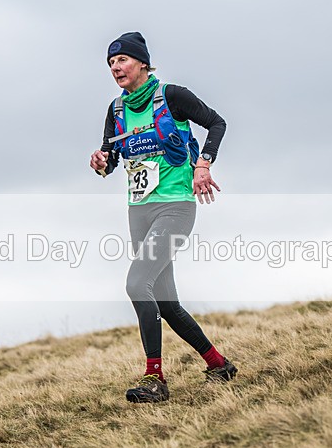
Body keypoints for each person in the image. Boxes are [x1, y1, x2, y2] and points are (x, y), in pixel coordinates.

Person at [89, 32, 237, 403]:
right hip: (138, 210)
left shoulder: (172, 96)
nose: (115, 68)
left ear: (141, 62)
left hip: (175, 206)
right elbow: (111, 158)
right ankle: (218, 364)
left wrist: (203, 163)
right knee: (166, 302)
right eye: (110, 63)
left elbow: (217, 123)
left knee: (138, 285)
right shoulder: (116, 110)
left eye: (121, 60)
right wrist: (101, 164)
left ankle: (155, 379)